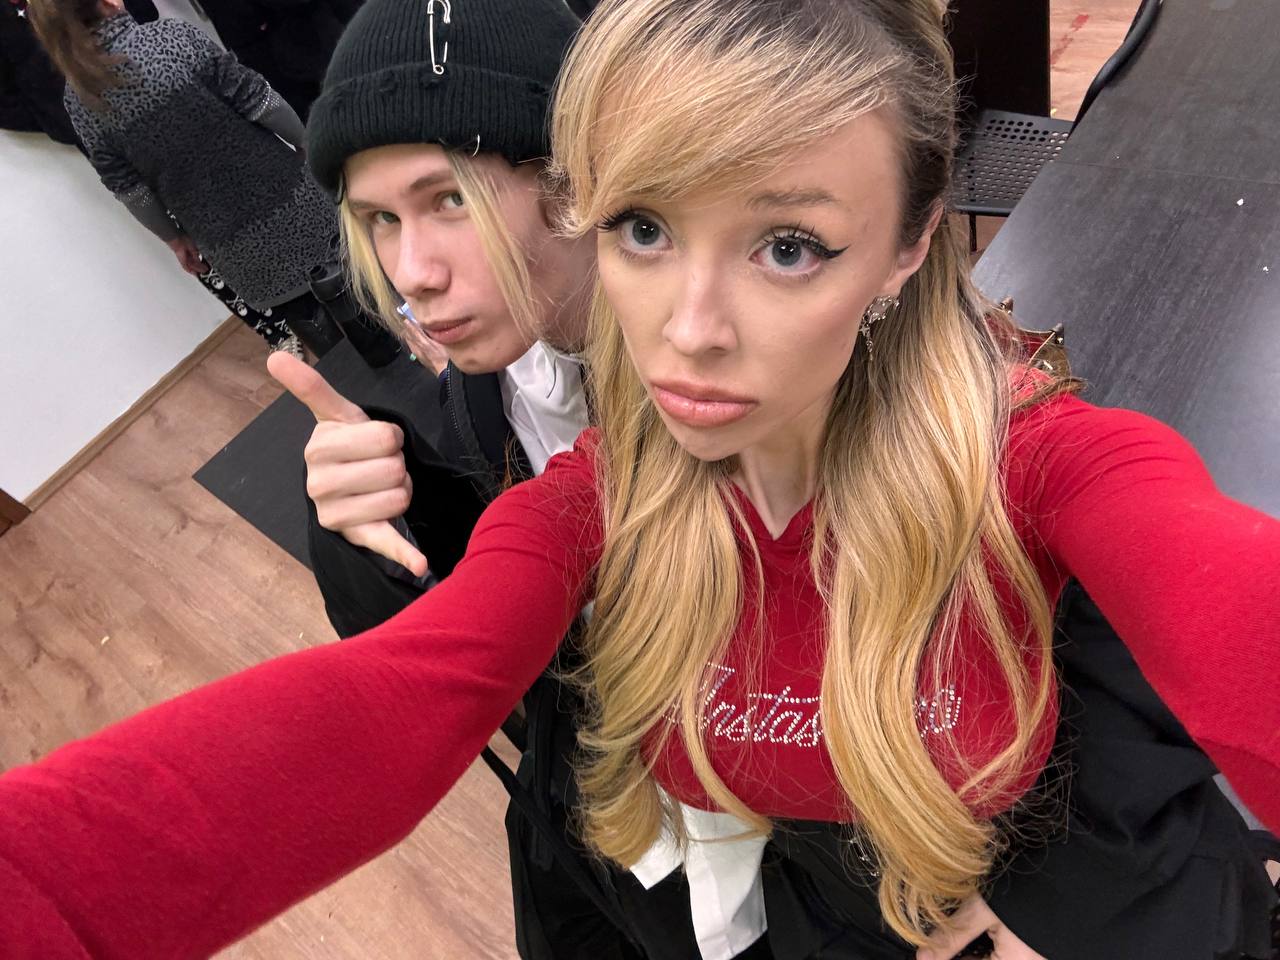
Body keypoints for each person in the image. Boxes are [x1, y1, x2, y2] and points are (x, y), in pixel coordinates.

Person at [1, 2, 1277, 960]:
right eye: (645, 230)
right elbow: (408, 695)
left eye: (788, 245)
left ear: (902, 247)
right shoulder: (567, 478)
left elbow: (1194, 611)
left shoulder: (1035, 455)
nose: (689, 333)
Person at [28, 0, 340, 356]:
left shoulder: (80, 100)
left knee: (318, 332)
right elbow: (259, 101)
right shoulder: (170, 37)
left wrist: (175, 240)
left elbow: (132, 191)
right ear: (107, 2)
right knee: (362, 290)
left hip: (228, 242)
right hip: (293, 199)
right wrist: (304, 141)